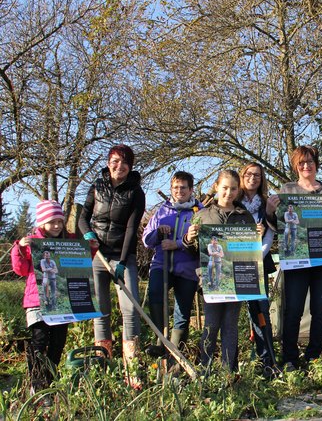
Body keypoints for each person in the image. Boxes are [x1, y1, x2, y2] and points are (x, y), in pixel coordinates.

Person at [266, 145, 322, 370]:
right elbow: (276, 225)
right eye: (302, 163)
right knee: (294, 309)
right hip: (297, 259)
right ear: (296, 166)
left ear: (316, 164)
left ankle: (313, 356)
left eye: (310, 161)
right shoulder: (287, 189)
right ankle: (290, 357)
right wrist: (270, 210)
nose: (306, 166)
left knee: (320, 309)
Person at [78, 144, 145, 389]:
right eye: (115, 161)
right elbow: (83, 217)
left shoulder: (136, 192)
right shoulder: (97, 187)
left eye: (125, 162)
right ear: (109, 162)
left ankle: (132, 369)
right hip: (97, 255)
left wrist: (123, 262)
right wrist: (87, 235)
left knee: (130, 310)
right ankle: (102, 366)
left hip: (121, 256)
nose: (120, 166)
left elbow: (130, 229)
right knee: (101, 312)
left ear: (131, 166)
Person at [183, 170, 258, 371]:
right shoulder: (202, 215)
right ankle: (205, 370)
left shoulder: (245, 216)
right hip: (211, 282)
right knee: (211, 325)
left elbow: (252, 251)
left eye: (234, 188)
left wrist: (256, 236)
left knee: (230, 326)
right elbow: (192, 250)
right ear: (216, 187)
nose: (229, 193)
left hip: (237, 280)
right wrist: (189, 237)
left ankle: (227, 372)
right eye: (225, 188)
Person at [11, 200, 83, 405]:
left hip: (60, 301)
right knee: (39, 342)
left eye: (59, 221)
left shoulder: (68, 242)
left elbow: (79, 265)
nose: (57, 226)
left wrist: (91, 249)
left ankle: (48, 385)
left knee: (57, 344)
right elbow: (21, 270)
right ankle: (36, 384)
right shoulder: (31, 241)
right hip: (36, 301)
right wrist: (18, 249)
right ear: (42, 223)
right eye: (52, 222)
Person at [142, 171, 203, 359]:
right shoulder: (162, 211)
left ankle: (175, 356)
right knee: (155, 294)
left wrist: (176, 243)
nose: (179, 191)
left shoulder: (199, 212)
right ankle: (160, 341)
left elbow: (201, 242)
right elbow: (146, 240)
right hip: (162, 263)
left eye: (183, 187)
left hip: (188, 267)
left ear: (191, 189)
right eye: (175, 187)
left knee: (182, 312)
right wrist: (159, 233)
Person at [239, 162, 278, 374]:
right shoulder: (233, 201)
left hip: (259, 263)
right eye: (249, 174)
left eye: (257, 175)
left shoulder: (266, 204)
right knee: (235, 312)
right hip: (234, 264)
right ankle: (237, 361)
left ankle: (268, 360)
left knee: (260, 310)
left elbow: (271, 232)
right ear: (242, 176)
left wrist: (256, 256)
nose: (253, 178)